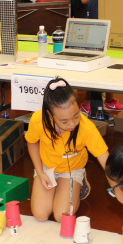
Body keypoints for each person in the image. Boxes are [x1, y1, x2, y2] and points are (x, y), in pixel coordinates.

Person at [25, 77, 109, 222]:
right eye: (64, 121)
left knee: (61, 216)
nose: (72, 124)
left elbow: (105, 159)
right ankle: (61, 188)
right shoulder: (38, 120)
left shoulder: (87, 128)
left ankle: (79, 181)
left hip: (72, 169)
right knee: (40, 214)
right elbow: (31, 143)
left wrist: (120, 184)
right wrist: (40, 172)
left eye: (76, 116)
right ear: (50, 115)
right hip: (47, 167)